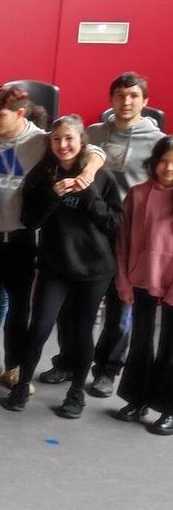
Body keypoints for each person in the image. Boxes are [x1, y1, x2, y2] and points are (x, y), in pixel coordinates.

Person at [0, 84, 105, 392]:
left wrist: (91, 167)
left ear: (20, 114)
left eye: (0, 115)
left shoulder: (41, 140)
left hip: (22, 237)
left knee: (18, 309)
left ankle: (14, 365)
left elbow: (89, 147)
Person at [43, 73, 165, 397]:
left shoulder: (157, 140)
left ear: (146, 101)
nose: (126, 102)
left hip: (131, 233)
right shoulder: (95, 132)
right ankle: (67, 360)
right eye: (120, 95)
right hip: (90, 231)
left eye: (134, 96)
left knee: (119, 305)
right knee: (73, 305)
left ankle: (106, 369)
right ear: (111, 99)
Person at [7, 116, 122, 418]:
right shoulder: (42, 176)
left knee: (83, 332)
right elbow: (30, 220)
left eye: (69, 138)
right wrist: (53, 196)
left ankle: (75, 394)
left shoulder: (101, 176)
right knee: (40, 328)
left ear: (82, 140)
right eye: (57, 139)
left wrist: (88, 193)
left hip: (94, 270)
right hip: (55, 267)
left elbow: (114, 223)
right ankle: (21, 386)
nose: (63, 145)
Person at [114, 136, 173, 434]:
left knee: (171, 348)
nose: (169, 166)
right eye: (164, 160)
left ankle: (168, 408)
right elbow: (123, 243)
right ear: (154, 162)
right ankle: (136, 399)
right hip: (141, 280)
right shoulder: (137, 194)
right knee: (141, 341)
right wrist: (124, 281)